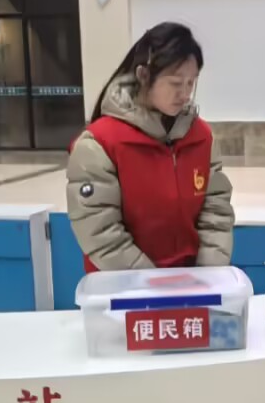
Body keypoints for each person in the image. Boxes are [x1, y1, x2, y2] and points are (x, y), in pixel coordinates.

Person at [67, 22, 234, 270]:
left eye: (191, 83)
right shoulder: (99, 144)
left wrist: (209, 277)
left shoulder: (201, 137)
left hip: (191, 285)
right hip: (124, 287)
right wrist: (152, 286)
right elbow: (101, 232)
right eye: (176, 83)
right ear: (143, 75)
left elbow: (216, 214)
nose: (185, 94)